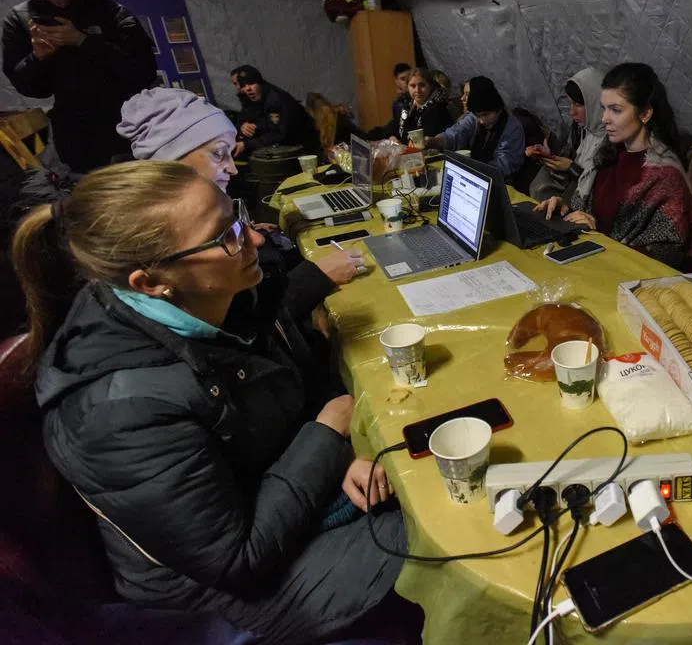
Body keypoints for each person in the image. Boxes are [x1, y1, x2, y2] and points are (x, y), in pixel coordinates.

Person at [10, 161, 406, 643]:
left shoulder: (203, 301)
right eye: (226, 237)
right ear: (151, 282)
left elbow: (273, 366)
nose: (253, 240)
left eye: (236, 217)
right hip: (216, 598)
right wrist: (325, 436)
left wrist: (333, 454)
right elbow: (237, 559)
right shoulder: (119, 414)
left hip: (269, 502)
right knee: (440, 534)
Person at [119, 87, 368, 325]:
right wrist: (317, 278)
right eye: (218, 154)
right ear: (171, 162)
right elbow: (247, 319)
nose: (232, 168)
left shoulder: (192, 211)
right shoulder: (167, 234)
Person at [1, 0, 156, 173]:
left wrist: (83, 41)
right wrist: (38, 58)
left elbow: (143, 72)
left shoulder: (109, 12)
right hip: (78, 142)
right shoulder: (22, 19)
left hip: (133, 130)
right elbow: (31, 89)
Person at [535, 62, 692, 269]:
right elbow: (587, 212)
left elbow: (667, 257)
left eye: (616, 110)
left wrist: (599, 238)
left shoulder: (664, 175)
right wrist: (564, 209)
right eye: (604, 108)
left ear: (645, 114)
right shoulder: (608, 154)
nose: (605, 118)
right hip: (594, 260)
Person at [527, 67, 606, 207]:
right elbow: (568, 156)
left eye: (578, 104)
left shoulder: (612, 140)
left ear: (596, 102)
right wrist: (548, 156)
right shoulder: (582, 130)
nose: (571, 112)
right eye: (570, 103)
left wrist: (571, 168)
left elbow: (601, 190)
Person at [425, 76, 524, 181]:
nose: (481, 121)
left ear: (498, 109)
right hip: (473, 175)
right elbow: (457, 132)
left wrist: (474, 170)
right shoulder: (474, 118)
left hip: (501, 181)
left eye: (485, 115)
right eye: (478, 116)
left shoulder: (512, 128)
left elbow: (504, 163)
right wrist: (435, 141)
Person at [229, 64, 319, 157]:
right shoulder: (250, 98)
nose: (248, 88)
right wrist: (243, 126)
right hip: (277, 142)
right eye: (243, 85)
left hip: (299, 146)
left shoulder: (276, 100)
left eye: (251, 83)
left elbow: (279, 134)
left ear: (260, 82)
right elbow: (247, 118)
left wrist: (247, 145)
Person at [382, 67, 452, 143]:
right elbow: (391, 127)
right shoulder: (408, 106)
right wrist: (392, 137)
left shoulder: (437, 109)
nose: (417, 90)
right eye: (412, 86)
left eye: (422, 85)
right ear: (408, 87)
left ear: (430, 86)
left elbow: (420, 140)